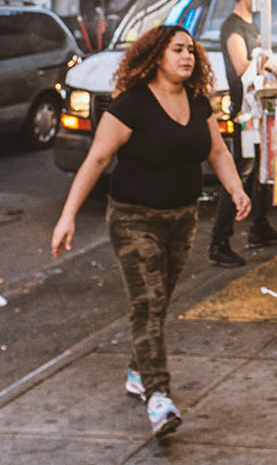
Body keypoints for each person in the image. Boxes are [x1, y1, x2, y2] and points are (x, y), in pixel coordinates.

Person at [50, 25, 247, 439]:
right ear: (157, 55)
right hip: (133, 218)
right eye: (177, 50)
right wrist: (67, 216)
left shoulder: (197, 101)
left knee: (159, 303)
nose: (187, 57)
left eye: (191, 51)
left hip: (182, 216)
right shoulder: (131, 105)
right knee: (148, 304)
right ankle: (159, 397)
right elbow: (96, 160)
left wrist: (236, 189)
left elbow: (217, 152)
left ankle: (139, 372)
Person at [209, 0, 277, 266]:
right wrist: (264, 59)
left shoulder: (249, 25)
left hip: (256, 109)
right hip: (242, 113)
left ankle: (259, 227)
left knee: (260, 171)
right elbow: (241, 65)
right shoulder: (233, 27)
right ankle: (219, 242)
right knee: (238, 175)